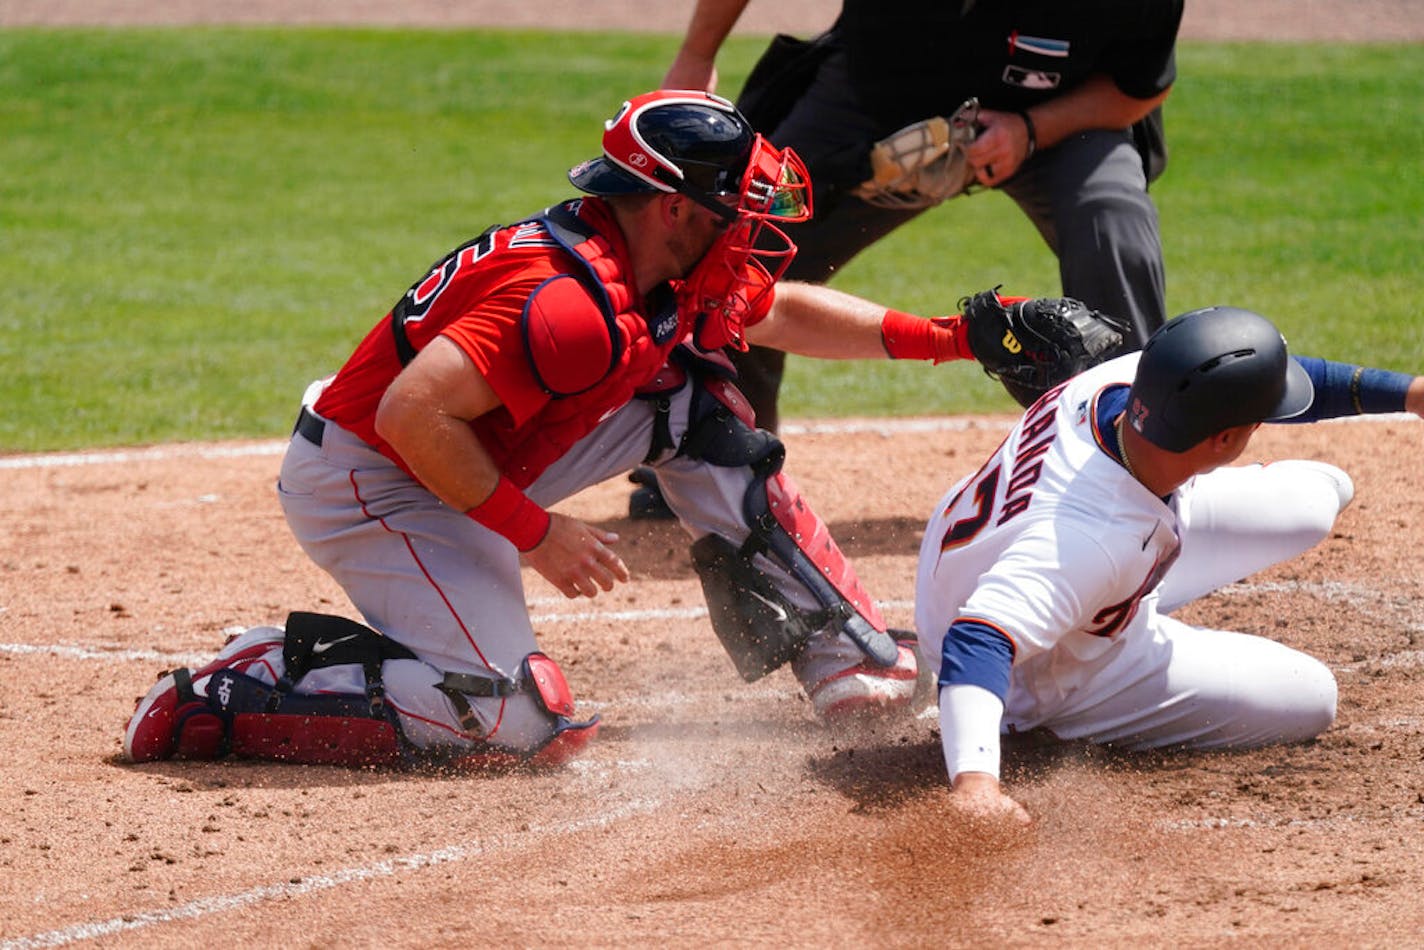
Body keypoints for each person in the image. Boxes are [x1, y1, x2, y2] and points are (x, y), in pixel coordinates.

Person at [121, 90, 1058, 771]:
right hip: (379, 482)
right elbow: (411, 413)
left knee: (689, 401)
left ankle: (842, 659)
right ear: (677, 207)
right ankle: (238, 690)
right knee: (513, 719)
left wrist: (950, 338)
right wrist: (540, 535)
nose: (749, 230)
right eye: (735, 209)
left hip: (469, 457)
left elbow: (781, 314)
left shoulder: (653, 267)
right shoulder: (564, 304)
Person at [627, 0, 1183, 519]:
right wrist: (697, 56)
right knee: (746, 233)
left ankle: (1137, 458)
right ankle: (716, 453)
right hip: (878, 95)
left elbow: (1138, 87)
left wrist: (1031, 131)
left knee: (1112, 221)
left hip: (1063, 117)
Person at [913, 305, 1424, 824]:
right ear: (1224, 440)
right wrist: (976, 785)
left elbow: (1268, 377)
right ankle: (1034, 716)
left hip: (993, 545)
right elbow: (977, 638)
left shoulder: (1120, 383)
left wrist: (1410, 394)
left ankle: (1134, 581)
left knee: (1317, 496)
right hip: (1044, 666)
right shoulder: (1091, 542)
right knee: (1313, 696)